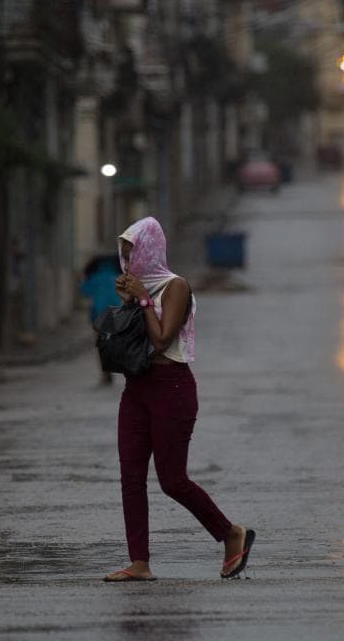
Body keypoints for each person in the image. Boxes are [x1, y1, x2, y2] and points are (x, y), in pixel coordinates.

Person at [103, 216, 255, 582]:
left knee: (172, 480)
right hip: (136, 388)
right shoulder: (139, 289)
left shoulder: (176, 287)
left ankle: (231, 533)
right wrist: (129, 302)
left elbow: (161, 340)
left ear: (151, 250)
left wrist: (142, 298)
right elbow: (134, 341)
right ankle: (139, 563)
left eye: (134, 253)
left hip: (171, 388)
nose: (128, 262)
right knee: (130, 478)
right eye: (125, 255)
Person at [80, 253, 123, 385]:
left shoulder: (94, 277)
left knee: (101, 344)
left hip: (98, 315)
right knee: (114, 343)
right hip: (115, 314)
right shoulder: (118, 276)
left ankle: (106, 373)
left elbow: (84, 291)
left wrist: (82, 279)